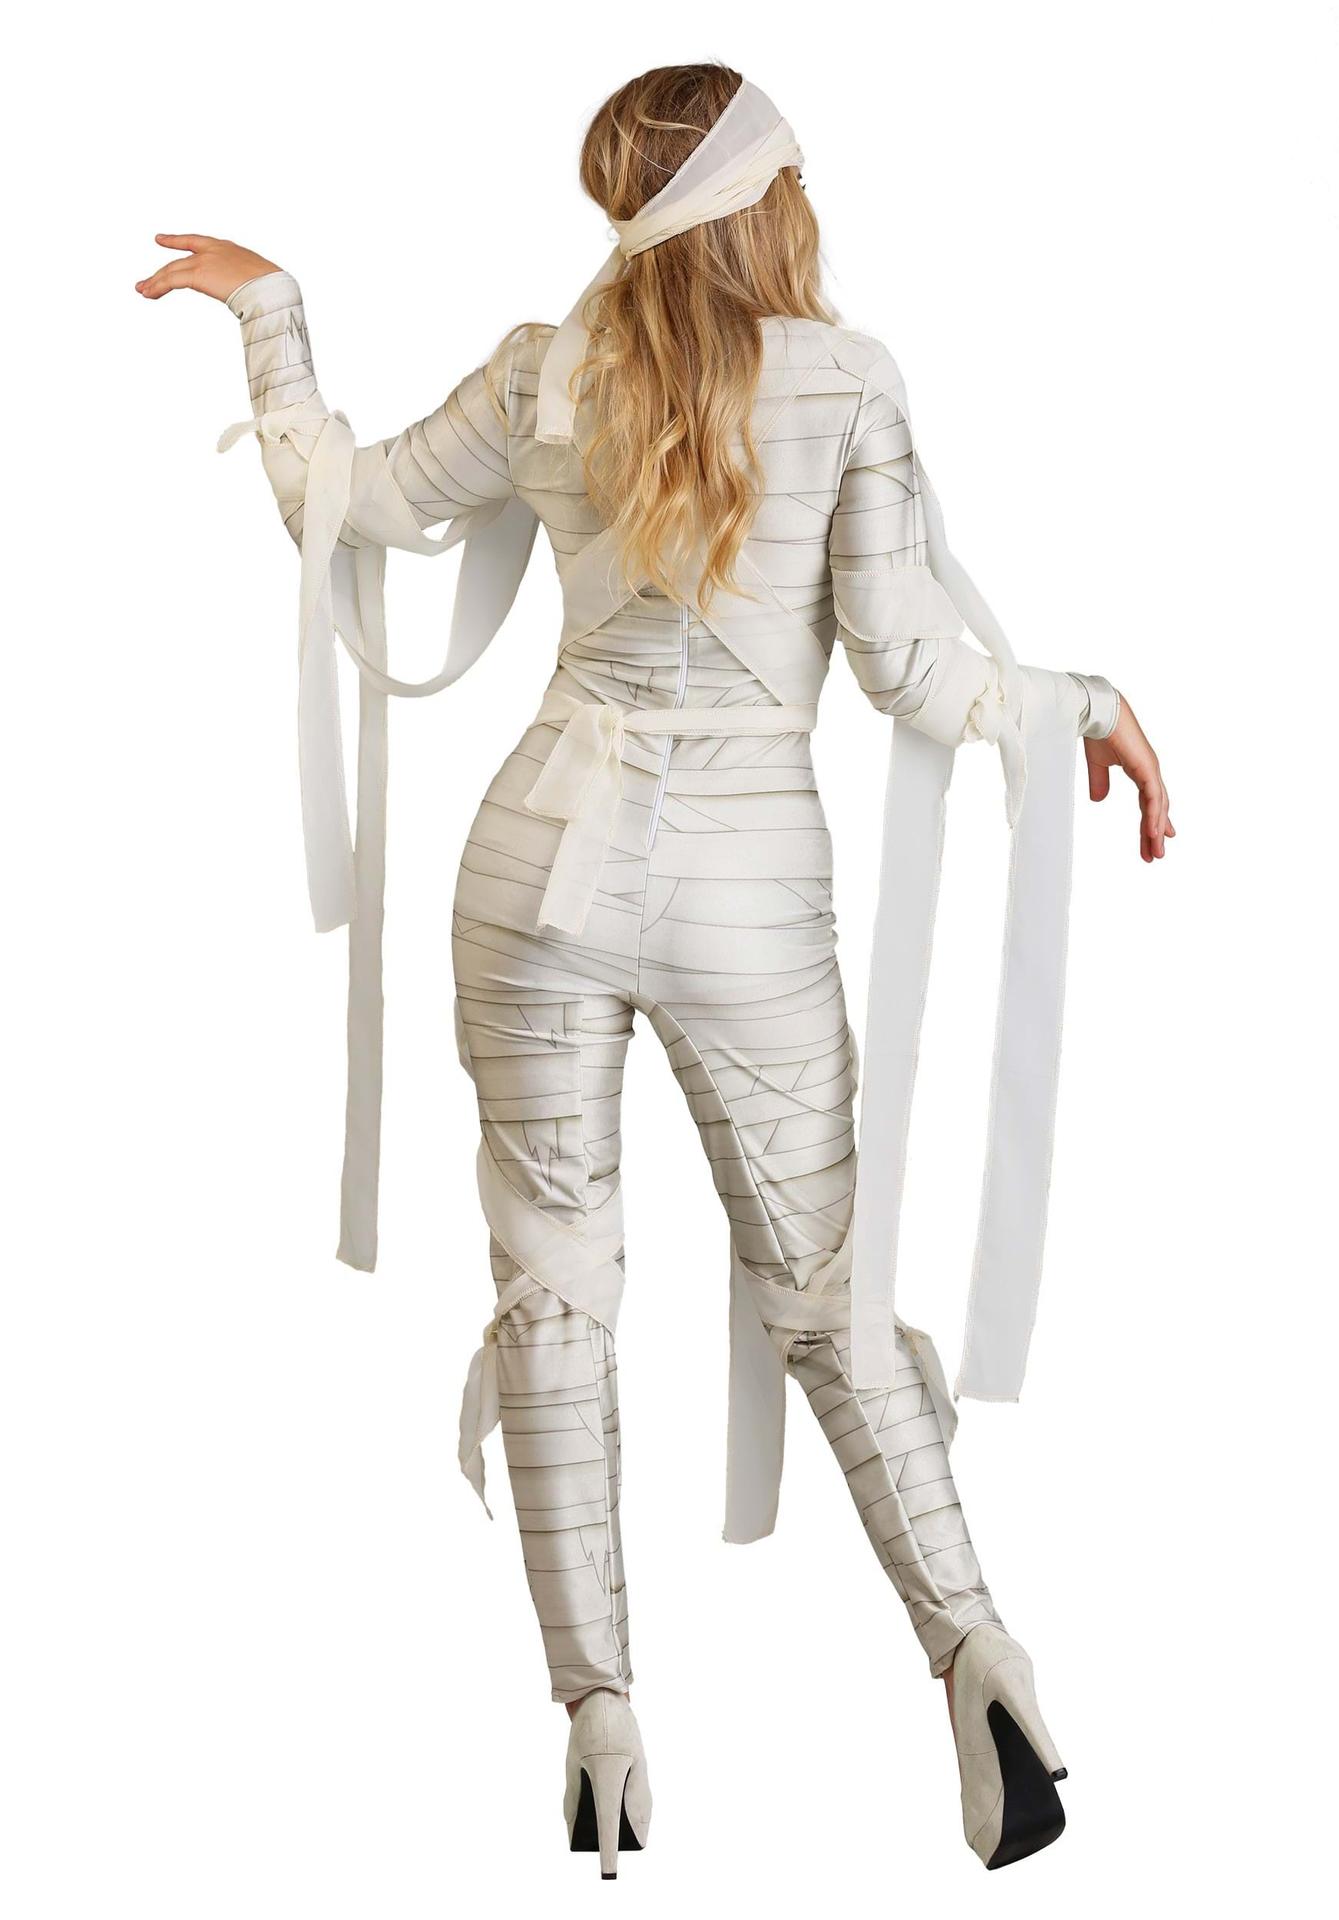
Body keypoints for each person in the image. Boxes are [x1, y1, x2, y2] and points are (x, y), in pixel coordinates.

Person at [137, 61, 1172, 1876]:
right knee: (829, 1294)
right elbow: (913, 673)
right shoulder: (846, 381)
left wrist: (273, 317)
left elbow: (342, 503)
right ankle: (978, 1661)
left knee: (555, 1293)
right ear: (770, 195)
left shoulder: (547, 369)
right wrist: (1087, 703)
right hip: (744, 902)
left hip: (529, 871)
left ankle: (599, 1722)